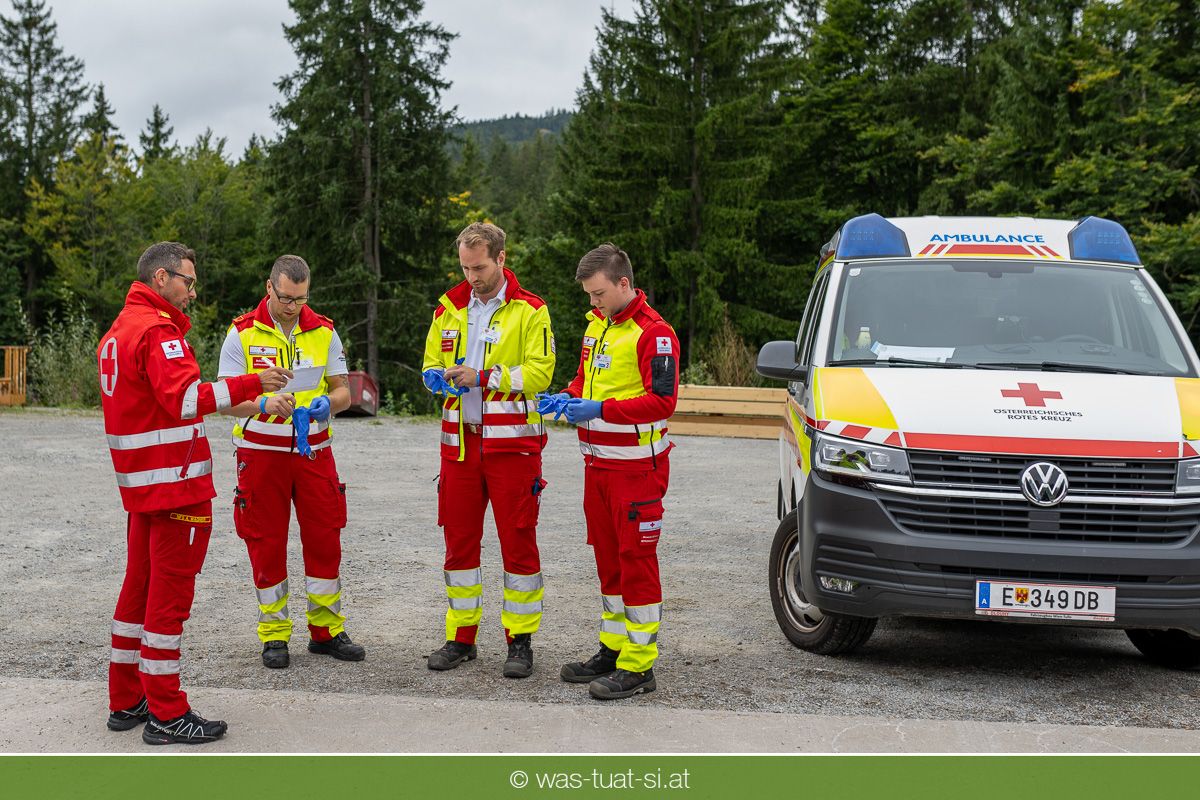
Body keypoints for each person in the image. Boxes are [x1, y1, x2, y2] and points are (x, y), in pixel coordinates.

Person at [100, 242, 291, 745]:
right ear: (161, 278)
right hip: (175, 487)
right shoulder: (157, 331)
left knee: (138, 590)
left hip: (143, 486)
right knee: (169, 599)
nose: (192, 292)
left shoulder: (121, 328)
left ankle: (127, 699)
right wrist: (253, 383)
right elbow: (186, 399)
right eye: (188, 281)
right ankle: (167, 713)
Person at [541, 243, 679, 700]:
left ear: (624, 283)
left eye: (598, 293)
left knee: (636, 563)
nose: (593, 301)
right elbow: (585, 380)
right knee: (609, 564)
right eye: (588, 294)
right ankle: (614, 649)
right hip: (597, 466)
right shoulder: (597, 326)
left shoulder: (655, 333)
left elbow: (662, 402)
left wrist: (599, 409)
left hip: (636, 471)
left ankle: (639, 666)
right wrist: (566, 397)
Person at [421, 222, 555, 678]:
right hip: (459, 446)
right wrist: (434, 378)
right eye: (464, 267)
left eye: (478, 267)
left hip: (512, 447)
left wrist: (483, 376)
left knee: (518, 543)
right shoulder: (448, 307)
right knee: (459, 545)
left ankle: (520, 642)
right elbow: (431, 363)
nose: (471, 276)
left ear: (501, 258)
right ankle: (461, 639)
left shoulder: (531, 310)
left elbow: (540, 372)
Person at [217, 255, 364, 668]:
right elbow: (224, 401)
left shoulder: (324, 330)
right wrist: (262, 403)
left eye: (300, 299)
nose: (292, 306)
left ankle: (326, 631)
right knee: (266, 542)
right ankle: (275, 635)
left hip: (314, 451)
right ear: (269, 288)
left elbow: (343, 391)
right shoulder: (242, 332)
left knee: (325, 538)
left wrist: (328, 403)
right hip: (261, 454)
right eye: (285, 298)